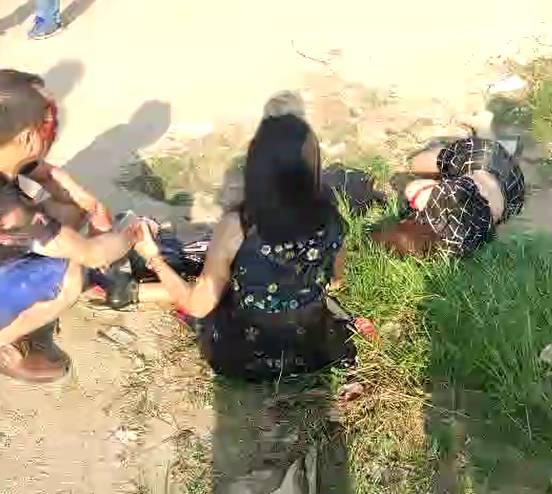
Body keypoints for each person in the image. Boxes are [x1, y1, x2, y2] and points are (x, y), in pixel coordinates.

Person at [126, 114, 356, 380]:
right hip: (311, 355)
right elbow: (336, 281)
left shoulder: (238, 225)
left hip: (245, 360)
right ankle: (130, 291)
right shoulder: (332, 220)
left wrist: (154, 258)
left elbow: (198, 307)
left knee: (209, 280)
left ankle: (126, 290)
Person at [0, 69, 140, 383]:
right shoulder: (10, 209)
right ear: (26, 137)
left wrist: (83, 198)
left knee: (68, 209)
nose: (54, 128)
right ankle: (6, 339)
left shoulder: (5, 147)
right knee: (69, 275)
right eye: (47, 122)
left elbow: (45, 173)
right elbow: (91, 253)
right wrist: (131, 232)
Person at [371, 135, 525, 257]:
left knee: (419, 164)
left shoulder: (455, 245)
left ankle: (449, 145)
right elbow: (415, 189)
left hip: (511, 191)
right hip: (483, 160)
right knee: (419, 165)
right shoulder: (441, 203)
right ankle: (447, 146)